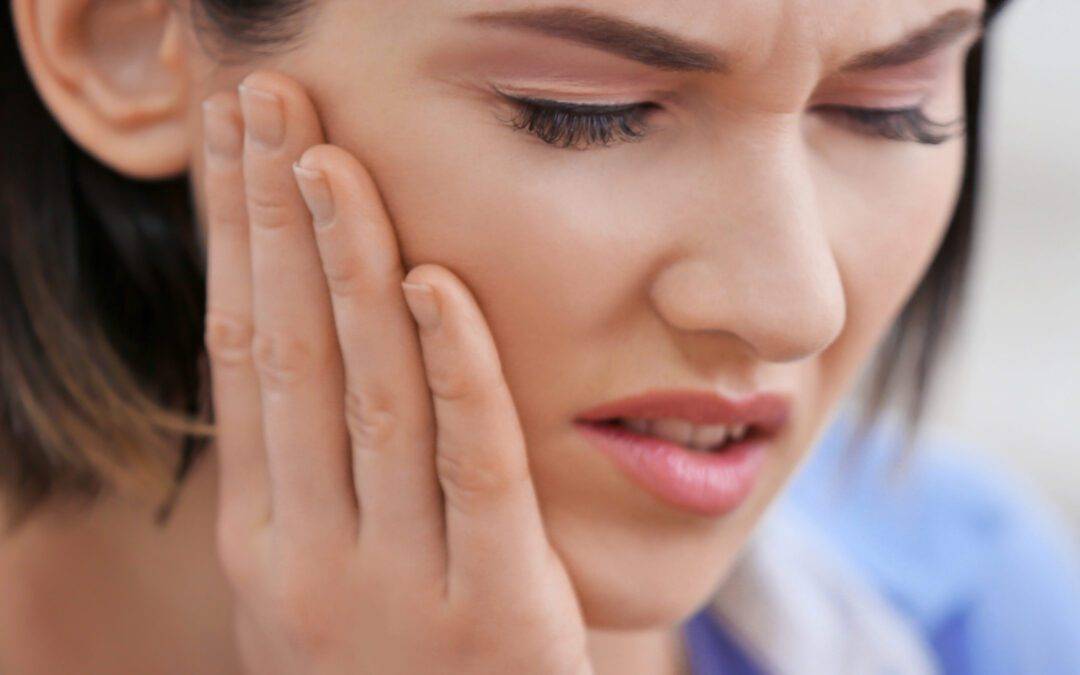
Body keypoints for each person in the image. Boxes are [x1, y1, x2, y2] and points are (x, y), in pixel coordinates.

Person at [1, 0, 1077, 673]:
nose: (791, 305)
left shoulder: (980, 610)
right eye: (586, 109)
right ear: (126, 38)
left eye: (894, 109)